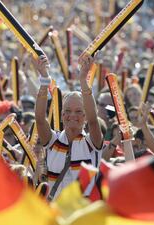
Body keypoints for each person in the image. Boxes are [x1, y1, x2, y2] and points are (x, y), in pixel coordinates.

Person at [35, 53, 103, 201]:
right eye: (67, 111)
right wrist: (44, 81)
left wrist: (83, 81)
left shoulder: (92, 142)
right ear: (61, 114)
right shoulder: (53, 141)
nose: (72, 116)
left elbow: (93, 121)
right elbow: (40, 119)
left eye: (79, 111)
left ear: (85, 115)